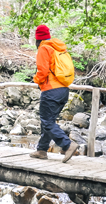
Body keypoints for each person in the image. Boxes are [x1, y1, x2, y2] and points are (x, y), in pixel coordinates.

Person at [29, 24, 78, 163]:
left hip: (51, 91)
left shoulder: (44, 48)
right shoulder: (56, 48)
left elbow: (43, 71)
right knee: (49, 121)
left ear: (37, 38)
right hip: (63, 90)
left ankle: (68, 145)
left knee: (46, 121)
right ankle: (42, 150)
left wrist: (36, 80)